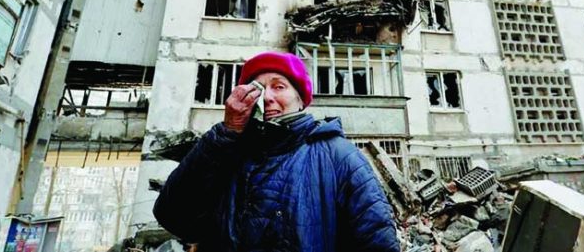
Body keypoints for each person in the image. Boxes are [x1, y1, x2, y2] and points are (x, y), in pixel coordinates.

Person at [153, 51, 399, 251]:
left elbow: (378, 242)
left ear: (301, 99)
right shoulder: (227, 152)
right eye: (257, 89)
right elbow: (173, 216)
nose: (267, 97)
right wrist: (226, 134)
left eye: (279, 87)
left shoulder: (338, 156)